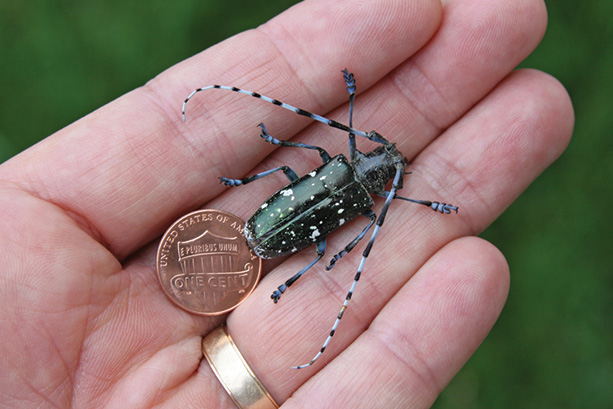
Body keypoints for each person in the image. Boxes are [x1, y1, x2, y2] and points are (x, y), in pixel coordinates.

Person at [0, 0, 573, 407]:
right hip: (270, 226)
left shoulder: (350, 178)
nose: (384, 156)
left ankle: (294, 276)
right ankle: (294, 280)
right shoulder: (365, 199)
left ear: (372, 167)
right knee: (314, 212)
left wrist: (300, 139)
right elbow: (332, 202)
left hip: (275, 223)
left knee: (301, 184)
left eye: (384, 161)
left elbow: (306, 167)